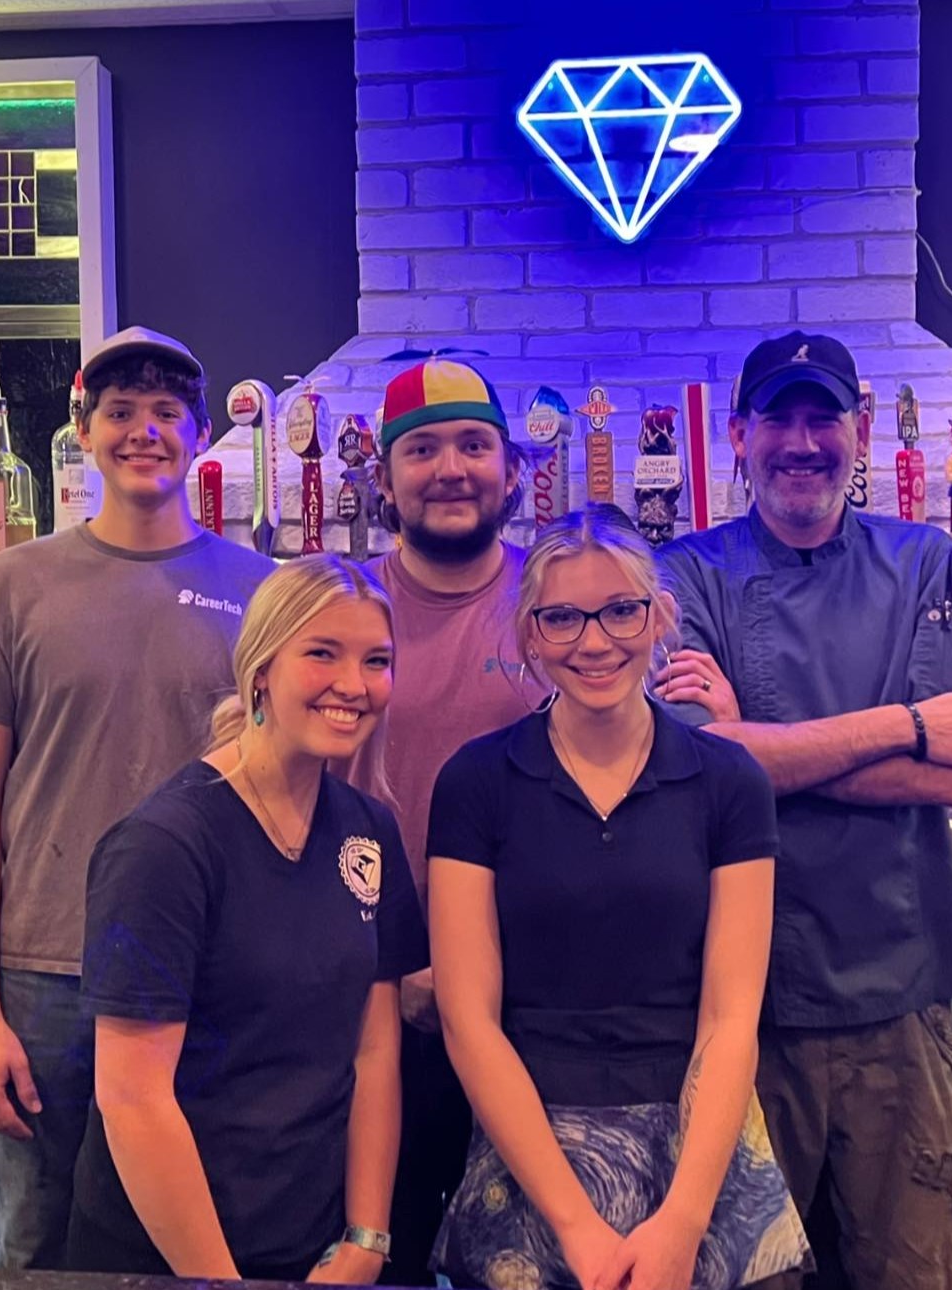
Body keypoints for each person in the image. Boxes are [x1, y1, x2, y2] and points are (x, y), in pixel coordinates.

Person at [657, 331, 952, 1288]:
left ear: (861, 430)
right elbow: (693, 765)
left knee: (916, 1272)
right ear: (739, 435)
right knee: (745, 1276)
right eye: (780, 419)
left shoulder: (926, 561)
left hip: (898, 997)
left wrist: (752, 743)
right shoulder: (685, 573)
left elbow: (951, 777)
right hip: (740, 1007)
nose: (802, 443)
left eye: (825, 419)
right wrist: (906, 724)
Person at [0, 325, 272, 1268]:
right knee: (36, 1251)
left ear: (200, 433)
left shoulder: (263, 593)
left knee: (198, 1242)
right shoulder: (8, 587)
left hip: (206, 971)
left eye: (166, 412)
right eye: (119, 412)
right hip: (46, 978)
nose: (143, 431)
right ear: (82, 433)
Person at [428, 505, 811, 1290]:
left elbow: (730, 1020)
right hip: (531, 1153)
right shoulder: (475, 783)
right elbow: (470, 1023)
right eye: (563, 618)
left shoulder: (729, 782)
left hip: (699, 1152)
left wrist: (682, 1224)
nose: (594, 641)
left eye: (620, 611)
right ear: (531, 635)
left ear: (660, 617)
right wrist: (577, 1228)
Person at [65, 555, 428, 1280]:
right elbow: (133, 1099)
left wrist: (366, 1238)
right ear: (261, 670)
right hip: (165, 1256)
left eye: (376, 660)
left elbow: (374, 1049)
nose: (353, 684)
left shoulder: (367, 831)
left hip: (309, 1244)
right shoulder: (165, 845)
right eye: (322, 653)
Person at [350, 357, 542, 1285]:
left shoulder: (560, 606)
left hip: (534, 1013)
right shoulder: (341, 611)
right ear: (384, 480)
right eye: (421, 449)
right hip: (374, 1010)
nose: (452, 469)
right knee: (380, 1253)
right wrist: (390, 971)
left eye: (474, 445)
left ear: (512, 469)